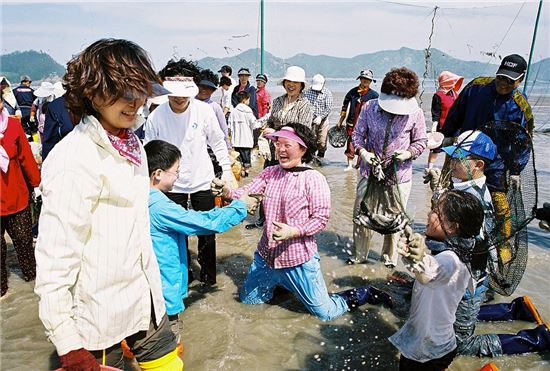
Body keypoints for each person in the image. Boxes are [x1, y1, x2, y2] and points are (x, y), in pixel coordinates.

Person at [34, 38, 183, 370]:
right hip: (98, 314)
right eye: (123, 93)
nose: (135, 103)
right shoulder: (74, 158)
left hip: (144, 296)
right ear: (92, 91)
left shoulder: (132, 143)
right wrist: (69, 345)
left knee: (171, 367)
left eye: (140, 92)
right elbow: (55, 260)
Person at [212, 123, 393, 321]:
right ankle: (281, 284)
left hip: (297, 259)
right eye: (278, 144)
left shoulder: (314, 179)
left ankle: (364, 293)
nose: (280, 149)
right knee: (249, 302)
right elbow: (246, 194)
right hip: (266, 257)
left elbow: (321, 218)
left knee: (325, 313)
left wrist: (294, 231)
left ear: (303, 149)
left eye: (287, 145)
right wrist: (226, 192)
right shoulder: (270, 173)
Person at [144, 139, 254, 349]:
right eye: (175, 171)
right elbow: (204, 223)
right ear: (158, 173)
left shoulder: (137, 195)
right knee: (167, 348)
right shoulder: (159, 206)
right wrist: (239, 207)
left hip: (147, 289)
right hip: (163, 292)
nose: (178, 176)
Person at [144, 58, 237, 286]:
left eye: (184, 93)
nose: (179, 98)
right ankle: (182, 279)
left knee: (207, 230)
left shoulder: (204, 111)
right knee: (175, 234)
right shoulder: (156, 116)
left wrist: (227, 171)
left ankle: (208, 278)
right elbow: (149, 151)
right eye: (173, 93)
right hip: (170, 184)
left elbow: (217, 141)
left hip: (201, 180)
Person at [390, 190, 484, 371]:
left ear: (452, 226)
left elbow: (430, 272)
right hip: (437, 345)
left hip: (428, 352)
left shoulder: (450, 260)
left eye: (436, 212)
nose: (429, 214)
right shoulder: (463, 251)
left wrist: (417, 258)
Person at [350, 67, 427, 267]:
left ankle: (388, 259)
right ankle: (360, 255)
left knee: (394, 220)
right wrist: (363, 152)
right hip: (370, 172)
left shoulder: (415, 113)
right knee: (362, 214)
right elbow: (357, 135)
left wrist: (409, 153)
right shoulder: (369, 107)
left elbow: (421, 141)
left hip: (399, 176)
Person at [245, 66, 314, 230]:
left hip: (292, 155)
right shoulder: (277, 102)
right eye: (288, 81)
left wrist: (277, 132)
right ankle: (263, 219)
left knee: (289, 191)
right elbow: (270, 122)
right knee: (266, 185)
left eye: (295, 82)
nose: (291, 85)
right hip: (273, 151)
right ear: (284, 83)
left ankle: (287, 223)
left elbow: (302, 132)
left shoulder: (305, 106)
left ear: (301, 85)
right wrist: (265, 133)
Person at [1, 91, 41, 298]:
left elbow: (26, 158)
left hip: (17, 196)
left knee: (24, 242)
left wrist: (37, 184)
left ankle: (33, 288)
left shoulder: (14, 126)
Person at [337, 69, 379, 170]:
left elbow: (378, 112)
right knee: (350, 142)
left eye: (368, 79)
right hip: (351, 122)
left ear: (371, 81)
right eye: (363, 78)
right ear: (360, 79)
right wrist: (340, 121)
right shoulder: (352, 92)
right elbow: (344, 107)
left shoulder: (374, 95)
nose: (365, 81)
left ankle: (360, 165)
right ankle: (350, 165)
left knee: (364, 143)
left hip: (367, 124)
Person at [426, 71, 463, 169]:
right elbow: (436, 113)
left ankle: (448, 169)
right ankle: (429, 169)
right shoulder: (438, 95)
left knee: (453, 148)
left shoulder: (455, 94)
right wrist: (434, 128)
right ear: (447, 82)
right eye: (452, 81)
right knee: (435, 149)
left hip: (455, 127)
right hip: (442, 127)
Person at [229, 91, 262, 178]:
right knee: (246, 157)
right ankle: (246, 173)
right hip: (246, 139)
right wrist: (262, 123)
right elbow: (254, 124)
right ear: (244, 100)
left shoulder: (233, 111)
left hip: (236, 140)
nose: (249, 101)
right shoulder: (248, 111)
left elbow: (229, 126)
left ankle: (240, 173)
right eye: (248, 100)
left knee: (238, 157)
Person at [196, 70, 231, 149]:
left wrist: (228, 146)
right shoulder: (189, 104)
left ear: (213, 90)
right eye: (202, 87)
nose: (204, 90)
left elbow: (223, 128)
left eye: (208, 88)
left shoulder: (215, 107)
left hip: (211, 147)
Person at [304, 74, 333, 159]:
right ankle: (310, 158)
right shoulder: (307, 92)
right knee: (310, 140)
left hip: (323, 120)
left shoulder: (327, 93)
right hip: (309, 120)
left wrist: (320, 117)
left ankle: (321, 158)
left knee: (322, 142)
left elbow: (328, 108)